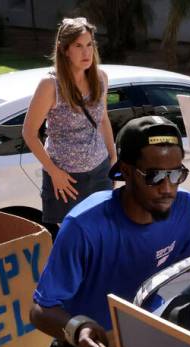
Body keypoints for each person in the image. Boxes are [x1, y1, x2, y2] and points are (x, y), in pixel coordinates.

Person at [0, 116, 190, 347]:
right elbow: (39, 309)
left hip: (147, 342)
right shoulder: (86, 225)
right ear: (125, 170)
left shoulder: (186, 210)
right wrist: (79, 330)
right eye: (155, 175)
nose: (168, 187)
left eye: (177, 174)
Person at [22, 17, 116, 236]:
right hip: (66, 179)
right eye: (78, 46)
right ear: (64, 50)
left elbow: (102, 119)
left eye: (90, 45)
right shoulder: (50, 85)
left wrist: (113, 157)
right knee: (74, 239)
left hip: (100, 170)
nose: (86, 53)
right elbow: (28, 132)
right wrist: (54, 172)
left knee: (102, 233)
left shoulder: (100, 78)